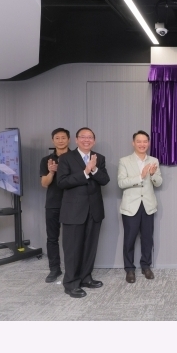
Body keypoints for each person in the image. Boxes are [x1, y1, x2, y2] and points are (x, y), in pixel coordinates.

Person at [57, 127, 110, 298]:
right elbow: (62, 182)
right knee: (72, 249)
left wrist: (94, 170)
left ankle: (86, 277)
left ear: (94, 140)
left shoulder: (99, 158)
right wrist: (85, 172)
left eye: (90, 137)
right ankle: (71, 283)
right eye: (83, 137)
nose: (86, 140)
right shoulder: (66, 158)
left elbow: (105, 180)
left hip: (94, 210)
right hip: (73, 211)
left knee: (90, 247)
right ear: (76, 140)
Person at [117, 130, 162, 283]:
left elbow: (158, 183)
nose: (142, 144)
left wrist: (153, 174)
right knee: (129, 239)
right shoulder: (124, 161)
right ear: (133, 143)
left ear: (148, 143)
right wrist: (141, 176)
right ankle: (129, 269)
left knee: (147, 238)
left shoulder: (154, 160)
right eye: (139, 141)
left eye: (145, 141)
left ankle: (146, 266)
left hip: (148, 205)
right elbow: (121, 183)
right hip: (131, 206)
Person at [39, 128, 71, 283]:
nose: (60, 140)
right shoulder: (47, 160)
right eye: (57, 138)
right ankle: (54, 269)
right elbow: (44, 184)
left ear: (69, 139)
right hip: (53, 203)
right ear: (53, 140)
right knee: (52, 238)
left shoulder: (75, 157)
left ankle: (72, 269)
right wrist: (51, 172)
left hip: (72, 203)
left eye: (63, 137)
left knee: (71, 238)